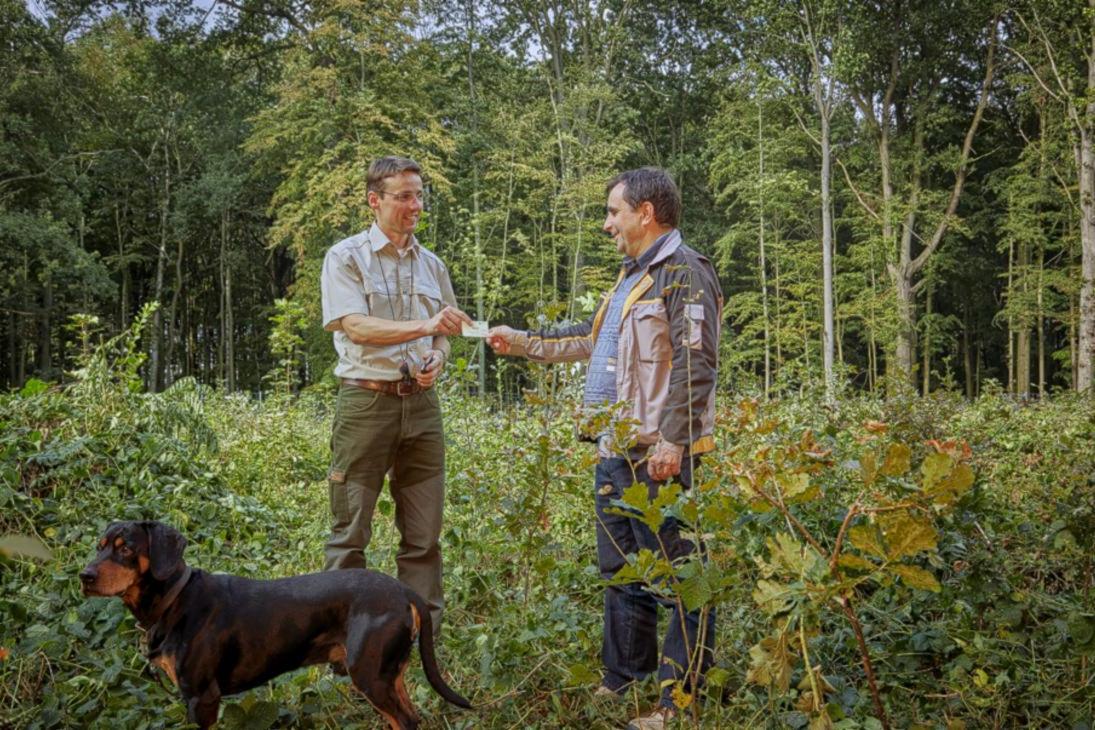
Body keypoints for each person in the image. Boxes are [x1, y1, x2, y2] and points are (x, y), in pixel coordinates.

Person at [487, 167, 722, 730]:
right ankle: (623, 681)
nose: (606, 222)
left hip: (657, 451)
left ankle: (677, 702)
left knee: (677, 575)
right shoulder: (629, 278)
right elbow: (592, 342)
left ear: (646, 212)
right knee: (622, 570)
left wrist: (673, 438)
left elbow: (697, 361)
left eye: (613, 211)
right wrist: (518, 342)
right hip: (614, 447)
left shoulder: (684, 271)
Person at [320, 156, 473, 637]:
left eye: (420, 195)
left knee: (424, 536)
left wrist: (439, 357)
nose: (416, 205)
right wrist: (425, 326)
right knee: (350, 534)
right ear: (375, 200)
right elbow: (356, 326)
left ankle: (420, 636)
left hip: (422, 409)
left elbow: (447, 331)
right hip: (366, 404)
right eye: (404, 196)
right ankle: (342, 641)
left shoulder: (433, 265)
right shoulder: (346, 257)